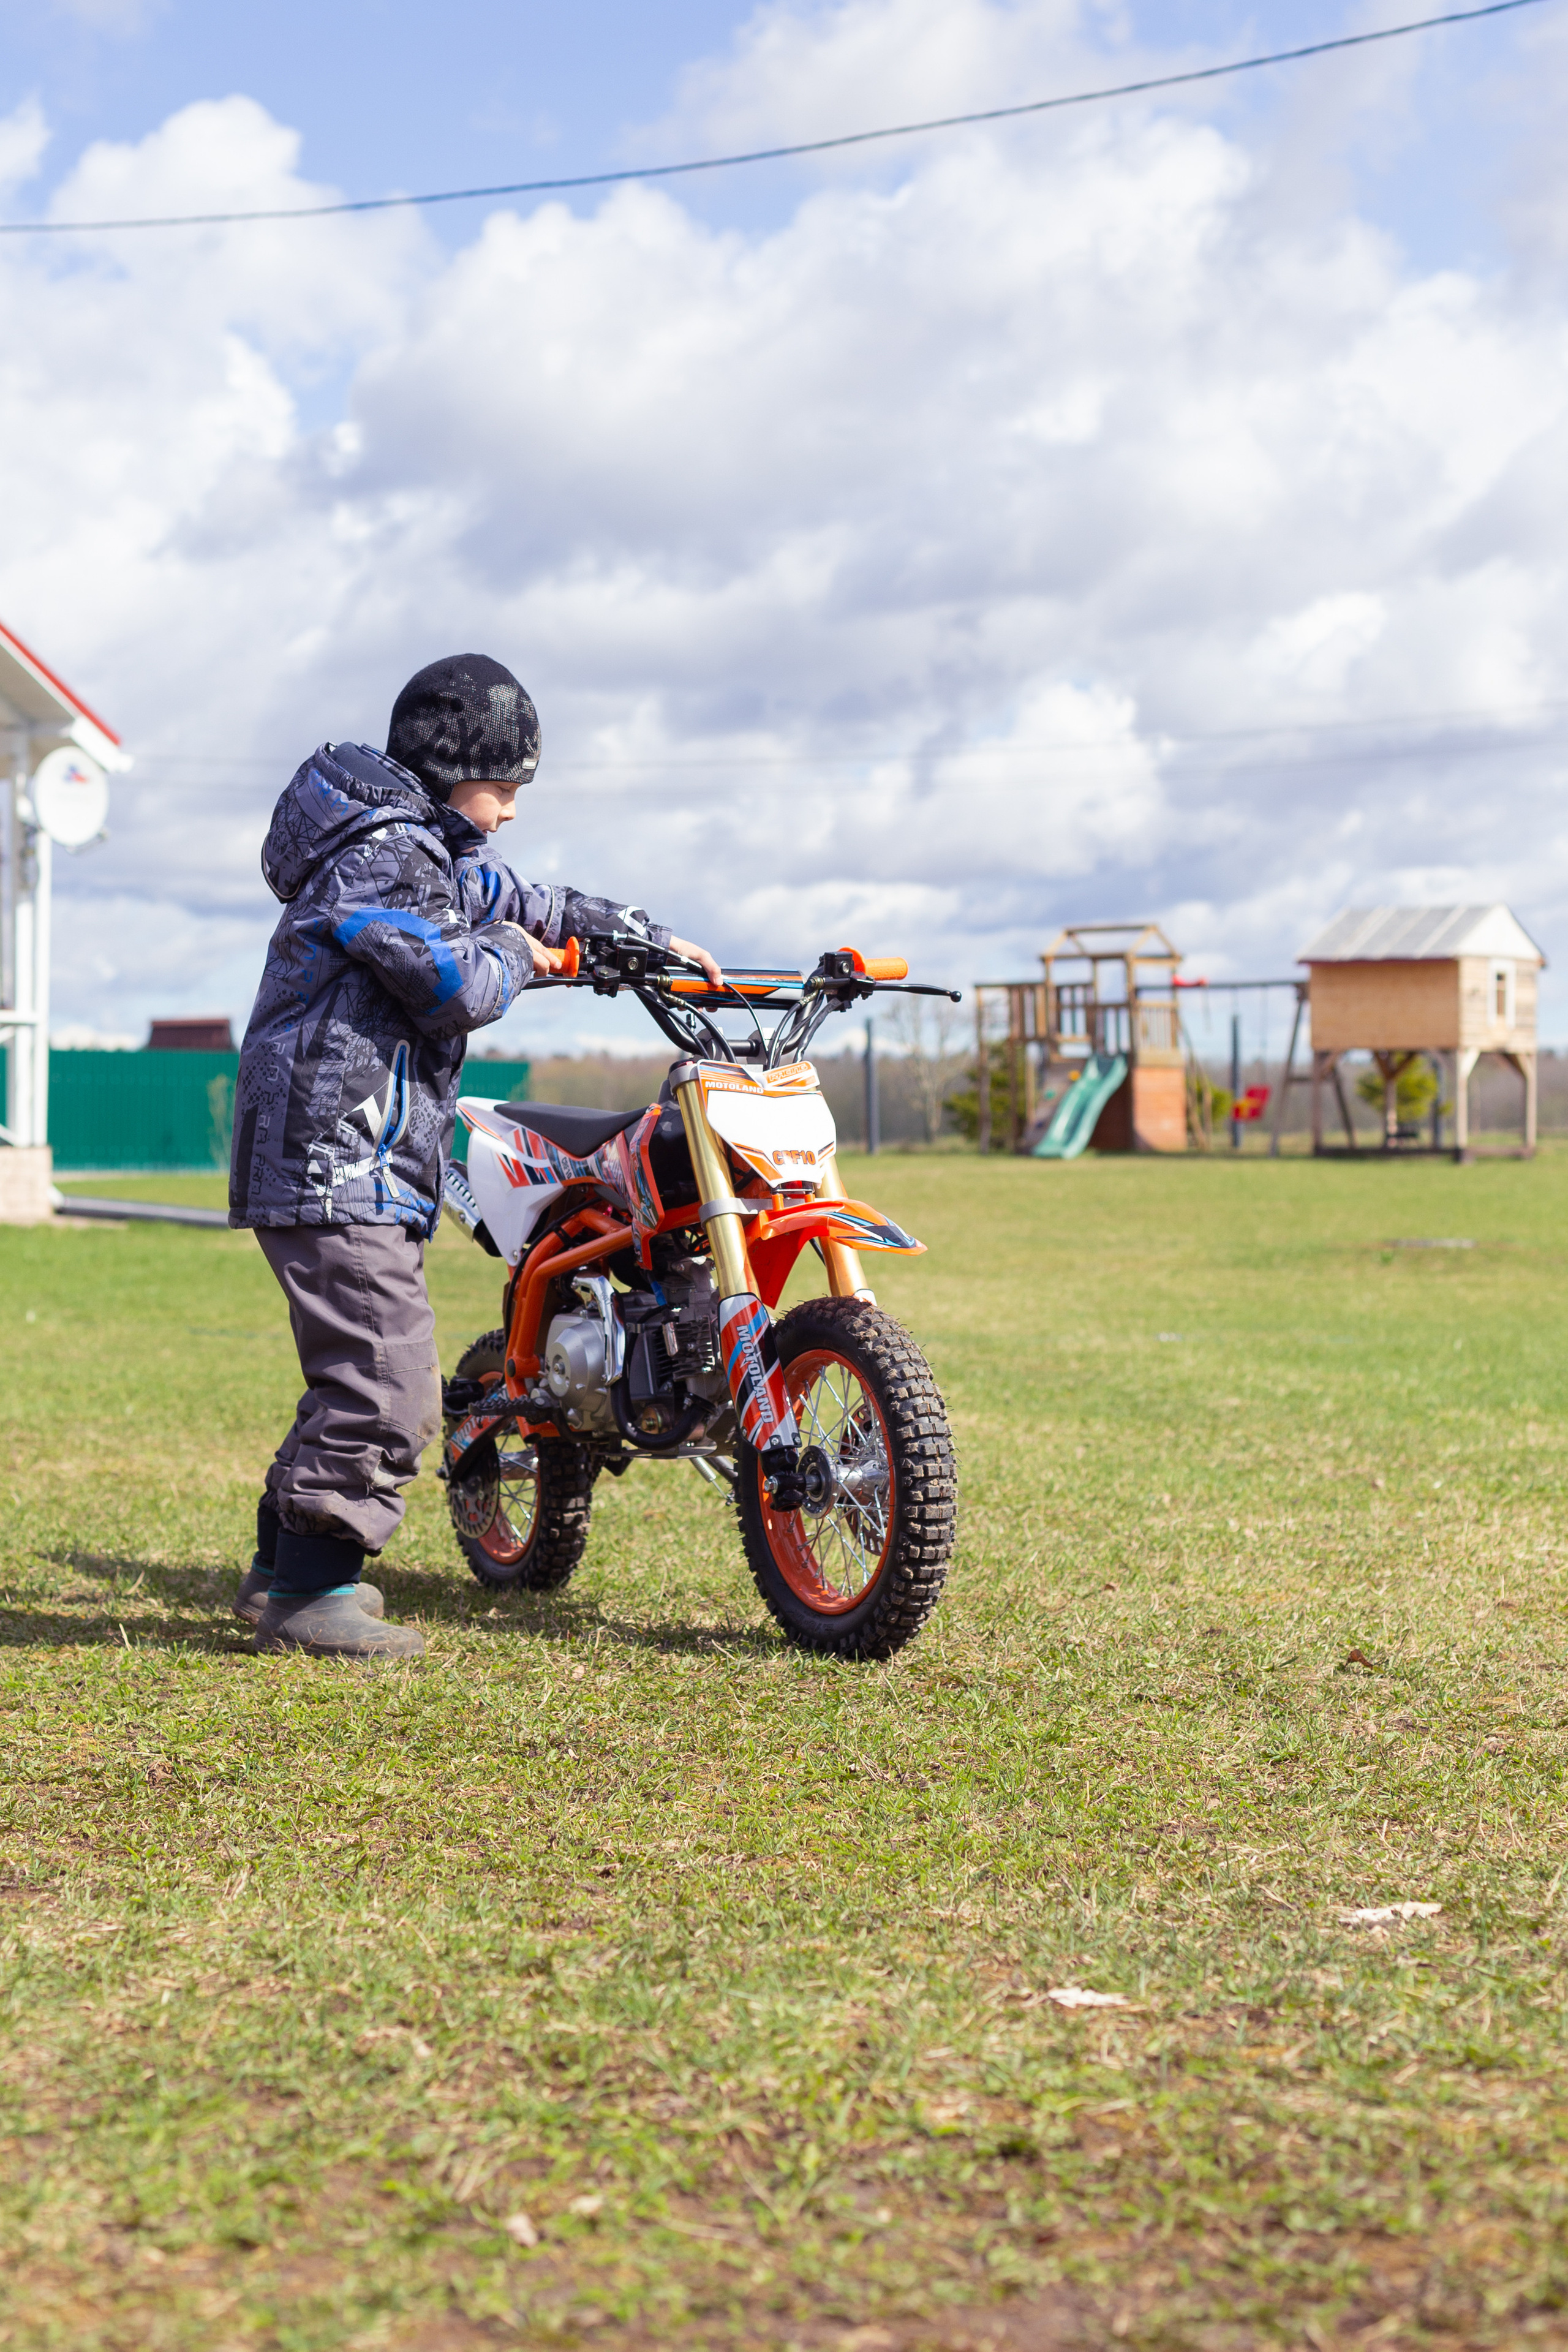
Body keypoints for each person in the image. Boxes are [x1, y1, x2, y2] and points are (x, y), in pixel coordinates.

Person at [228, 652, 719, 1659]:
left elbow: (519, 897)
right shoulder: (385, 856)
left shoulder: (418, 848)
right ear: (450, 772)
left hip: (346, 1161)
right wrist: (513, 957)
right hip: (334, 1161)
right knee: (388, 1382)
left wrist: (640, 937)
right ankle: (309, 1599)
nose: (511, 808)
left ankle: (281, 1573)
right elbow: (453, 983)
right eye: (502, 786)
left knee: (355, 1373)